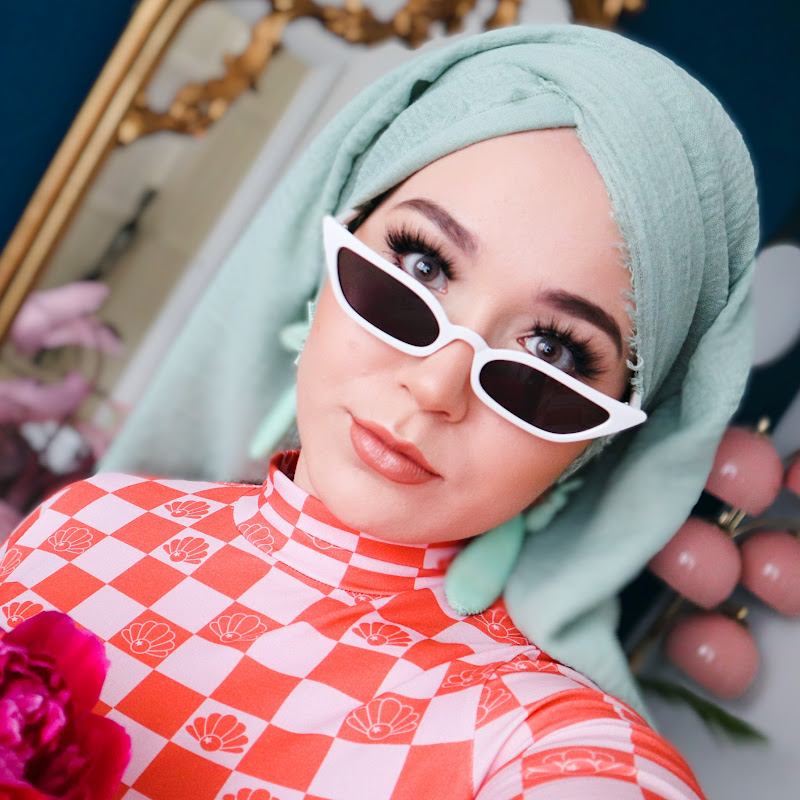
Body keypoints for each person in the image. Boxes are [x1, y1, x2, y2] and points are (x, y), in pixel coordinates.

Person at [0, 23, 757, 800]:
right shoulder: (86, 524)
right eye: (420, 266)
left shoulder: (541, 741)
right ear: (332, 249)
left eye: (553, 355)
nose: (435, 387)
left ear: (598, 438)